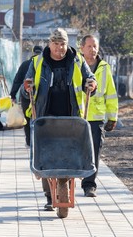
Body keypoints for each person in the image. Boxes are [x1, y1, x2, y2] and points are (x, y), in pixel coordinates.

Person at [21, 28, 97, 210]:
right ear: (49, 44)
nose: (59, 48)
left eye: (62, 44)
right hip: (45, 116)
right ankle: (49, 196)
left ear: (66, 44)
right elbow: (25, 89)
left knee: (70, 153)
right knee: (45, 157)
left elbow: (90, 77)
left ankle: (67, 187)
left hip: (71, 117)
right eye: (55, 44)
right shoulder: (38, 62)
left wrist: (92, 84)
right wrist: (27, 87)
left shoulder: (77, 60)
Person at [79, 34, 118, 197]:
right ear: (81, 48)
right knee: (75, 150)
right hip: (78, 117)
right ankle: (67, 179)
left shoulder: (104, 68)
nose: (93, 49)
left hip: (96, 119)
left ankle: (89, 185)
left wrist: (112, 117)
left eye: (95, 46)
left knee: (94, 151)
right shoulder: (75, 66)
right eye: (89, 46)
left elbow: (111, 94)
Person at [10, 45, 43, 146]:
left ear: (33, 52)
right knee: (40, 118)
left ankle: (29, 141)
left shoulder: (25, 64)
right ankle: (39, 141)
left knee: (27, 118)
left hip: (25, 96)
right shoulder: (43, 64)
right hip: (39, 97)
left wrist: (12, 95)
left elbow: (17, 80)